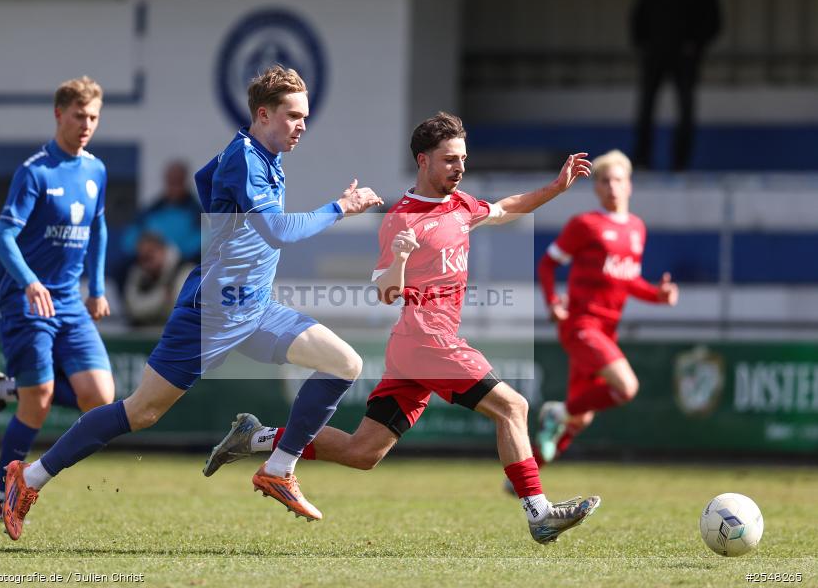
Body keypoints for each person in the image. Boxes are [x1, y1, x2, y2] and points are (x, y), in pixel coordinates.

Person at [0, 65, 383, 540]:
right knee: (141, 412)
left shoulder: (262, 156)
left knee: (345, 363)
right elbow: (278, 231)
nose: (302, 125)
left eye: (304, 116)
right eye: (293, 115)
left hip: (256, 306)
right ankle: (30, 476)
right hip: (212, 313)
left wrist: (222, 220)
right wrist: (339, 208)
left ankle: (278, 468)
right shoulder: (246, 158)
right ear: (263, 114)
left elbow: (206, 180)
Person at [205, 112, 601, 544]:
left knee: (363, 452)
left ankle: (256, 437)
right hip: (428, 338)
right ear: (423, 160)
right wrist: (400, 258)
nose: (459, 167)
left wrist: (556, 188)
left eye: (462, 159)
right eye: (449, 159)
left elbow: (506, 209)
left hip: (414, 348)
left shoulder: (461, 204)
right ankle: (539, 513)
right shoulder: (402, 218)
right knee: (513, 407)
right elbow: (385, 291)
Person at [0, 76, 115, 521]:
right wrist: (30, 282)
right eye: (79, 116)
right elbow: (2, 238)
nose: (86, 125)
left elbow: (98, 228)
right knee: (38, 400)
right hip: (26, 299)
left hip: (69, 302)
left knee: (101, 398)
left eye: (93, 117)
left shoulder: (96, 170)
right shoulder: (34, 171)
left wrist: (96, 288)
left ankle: (6, 388)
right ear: (59, 114)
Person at [533, 149, 679, 466]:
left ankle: (520, 479)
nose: (612, 186)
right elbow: (547, 264)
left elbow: (629, 280)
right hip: (581, 325)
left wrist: (658, 295)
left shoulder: (637, 228)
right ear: (596, 187)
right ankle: (558, 412)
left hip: (607, 331)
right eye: (604, 181)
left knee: (582, 417)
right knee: (626, 387)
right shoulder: (585, 225)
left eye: (617, 180)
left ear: (629, 185)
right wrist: (553, 302)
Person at [631, 0, 721, 170]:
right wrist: (644, 45)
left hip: (685, 57)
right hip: (655, 53)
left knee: (685, 108)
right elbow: (639, 14)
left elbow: (713, 20)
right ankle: (642, 158)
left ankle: (681, 162)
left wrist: (695, 45)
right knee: (646, 106)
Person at [120, 160, 202, 265]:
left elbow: (204, 241)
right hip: (148, 264)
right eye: (171, 182)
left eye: (178, 182)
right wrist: (144, 250)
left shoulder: (196, 212)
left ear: (185, 181)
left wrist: (171, 254)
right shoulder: (151, 211)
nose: (174, 187)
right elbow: (129, 240)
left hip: (182, 265)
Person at [122, 232, 195, 326]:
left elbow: (180, 311)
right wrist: (161, 298)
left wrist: (147, 306)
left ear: (163, 250)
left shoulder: (186, 272)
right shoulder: (138, 273)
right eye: (142, 257)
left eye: (150, 255)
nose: (145, 263)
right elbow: (133, 309)